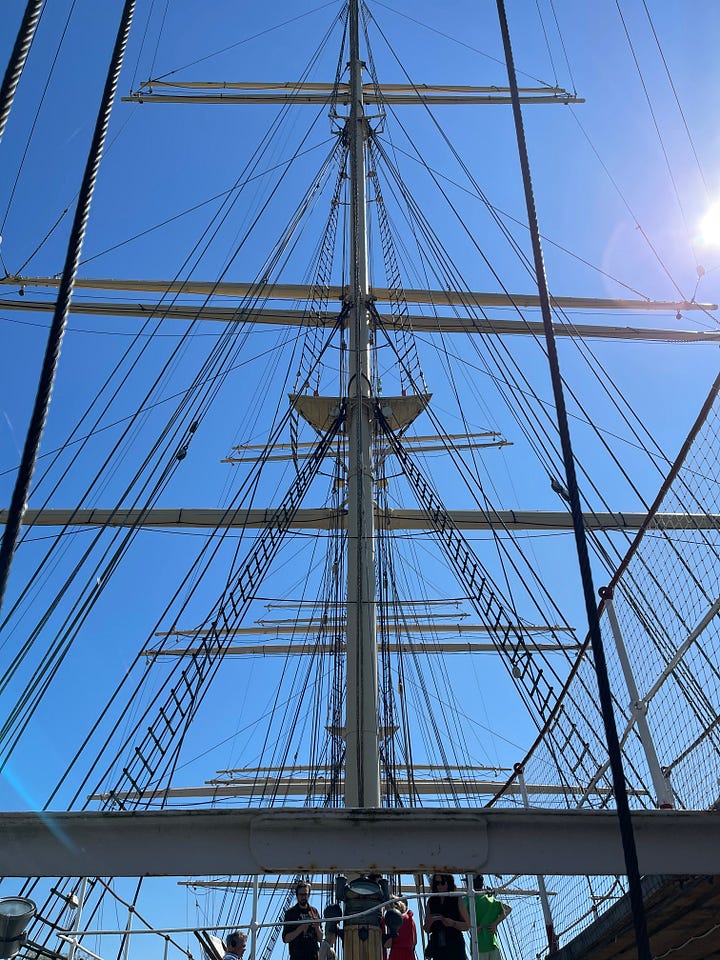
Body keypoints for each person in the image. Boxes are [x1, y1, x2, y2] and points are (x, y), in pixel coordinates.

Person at [423, 875, 470, 960]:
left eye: (442, 883)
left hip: (455, 944)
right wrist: (430, 921)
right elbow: (426, 929)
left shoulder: (457, 899)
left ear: (449, 883)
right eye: (437, 883)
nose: (439, 886)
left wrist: (453, 923)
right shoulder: (431, 901)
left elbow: (467, 925)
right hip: (438, 945)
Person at [465, 876, 511, 960]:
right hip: (493, 943)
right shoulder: (491, 899)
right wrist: (495, 924)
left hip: (478, 945)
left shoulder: (467, 899)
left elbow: (460, 915)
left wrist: (471, 926)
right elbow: (508, 909)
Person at [282, 881, 322, 960]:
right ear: (297, 896)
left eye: (305, 894)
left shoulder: (314, 911)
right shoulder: (290, 913)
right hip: (297, 956)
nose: (303, 897)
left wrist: (317, 928)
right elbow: (286, 938)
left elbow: (320, 938)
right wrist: (301, 928)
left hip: (313, 956)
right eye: (301, 895)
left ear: (308, 895)